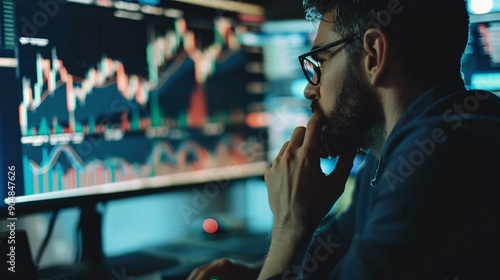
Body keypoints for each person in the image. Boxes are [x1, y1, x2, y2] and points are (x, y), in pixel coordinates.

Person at [187, 0, 500, 279]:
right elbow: (330, 258)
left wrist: (290, 224)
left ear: (374, 55)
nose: (310, 89)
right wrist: (257, 271)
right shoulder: (392, 154)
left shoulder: (436, 161)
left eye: (320, 62)